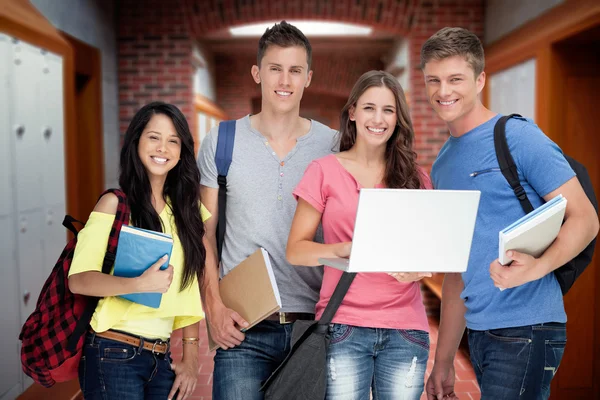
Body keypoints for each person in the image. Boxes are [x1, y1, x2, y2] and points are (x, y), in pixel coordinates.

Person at [421, 27, 599, 400]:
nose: (443, 91)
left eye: (455, 79)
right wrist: (444, 359)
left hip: (528, 325)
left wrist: (535, 267)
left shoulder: (516, 136)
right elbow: (458, 271)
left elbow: (585, 219)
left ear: (480, 79)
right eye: (433, 80)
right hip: (481, 330)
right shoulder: (442, 165)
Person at [197, 21, 336, 399]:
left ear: (308, 77)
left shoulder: (333, 146)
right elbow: (203, 235)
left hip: (312, 326)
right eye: (275, 68)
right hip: (242, 323)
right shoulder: (221, 141)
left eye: (295, 70)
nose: (284, 80)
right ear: (257, 73)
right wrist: (213, 307)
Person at [286, 70, 432, 400]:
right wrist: (345, 250)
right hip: (344, 325)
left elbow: (427, 251)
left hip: (406, 328)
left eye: (388, 110)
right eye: (369, 108)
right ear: (352, 112)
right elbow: (296, 250)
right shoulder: (323, 170)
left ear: (398, 119)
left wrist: (421, 268)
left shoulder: (416, 177)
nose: (377, 119)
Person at [68, 101, 212, 400]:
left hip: (160, 358)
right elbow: (79, 279)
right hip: (112, 352)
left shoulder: (187, 211)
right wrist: (138, 285)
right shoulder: (114, 204)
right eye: (154, 137)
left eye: (174, 141)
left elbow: (189, 290)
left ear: (182, 151)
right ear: (136, 142)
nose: (163, 148)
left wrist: (191, 358)